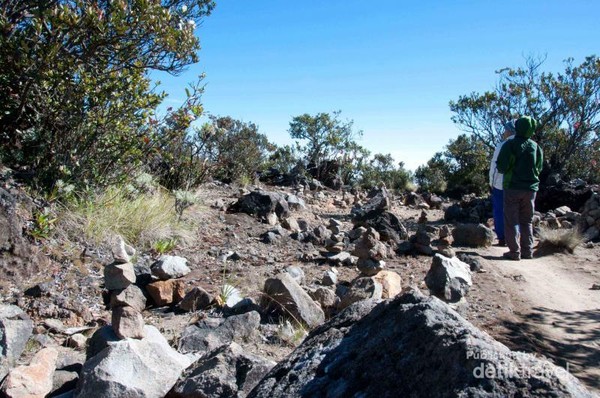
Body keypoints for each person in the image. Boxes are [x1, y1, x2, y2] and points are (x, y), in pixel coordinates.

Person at [496, 116, 543, 260]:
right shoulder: (536, 147)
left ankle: (514, 252)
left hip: (512, 187)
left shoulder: (509, 145)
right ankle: (527, 251)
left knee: (511, 220)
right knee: (526, 221)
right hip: (530, 189)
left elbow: (501, 166)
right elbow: (539, 167)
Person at [489, 121, 516, 246]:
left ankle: (502, 237)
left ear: (510, 130)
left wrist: (491, 182)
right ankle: (516, 238)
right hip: (519, 185)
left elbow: (495, 165)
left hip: (501, 183)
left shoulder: (502, 145)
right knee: (516, 212)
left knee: (500, 211)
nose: (504, 132)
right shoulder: (527, 145)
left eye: (505, 129)